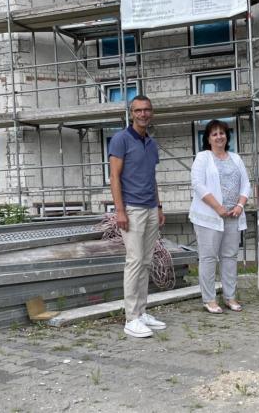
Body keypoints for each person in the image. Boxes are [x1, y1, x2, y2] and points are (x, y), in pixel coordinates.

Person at [108, 94, 167, 338]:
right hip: (131, 208)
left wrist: (159, 206)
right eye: (138, 110)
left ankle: (141, 312)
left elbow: (151, 178)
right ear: (131, 113)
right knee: (134, 261)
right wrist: (120, 210)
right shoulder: (120, 140)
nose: (143, 114)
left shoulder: (151, 143)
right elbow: (114, 177)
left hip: (151, 208)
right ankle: (131, 318)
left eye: (147, 110)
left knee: (145, 261)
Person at [189, 119, 251, 314]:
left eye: (222, 133)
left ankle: (230, 296)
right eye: (214, 134)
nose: (219, 137)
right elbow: (198, 185)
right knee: (208, 258)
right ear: (208, 138)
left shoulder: (236, 158)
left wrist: (240, 205)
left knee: (230, 257)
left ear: (227, 136)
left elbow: (246, 184)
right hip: (209, 216)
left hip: (233, 216)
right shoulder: (202, 157)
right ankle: (209, 299)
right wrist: (218, 207)